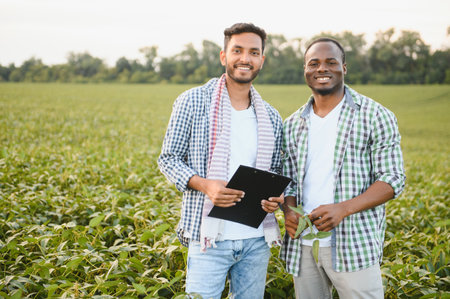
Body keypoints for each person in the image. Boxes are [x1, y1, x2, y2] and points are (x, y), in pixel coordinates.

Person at [158, 23, 284, 299]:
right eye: (237, 50)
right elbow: (168, 159)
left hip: (255, 239)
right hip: (208, 238)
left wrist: (276, 198)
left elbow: (275, 170)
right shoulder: (192, 101)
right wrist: (206, 186)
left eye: (253, 52)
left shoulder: (271, 116)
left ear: (261, 60)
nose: (245, 59)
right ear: (223, 56)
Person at [281, 37, 406, 298]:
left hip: (354, 243)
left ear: (344, 68)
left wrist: (343, 209)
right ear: (305, 70)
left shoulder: (375, 115)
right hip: (303, 245)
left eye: (331, 62)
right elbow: (288, 180)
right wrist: (289, 212)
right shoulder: (292, 124)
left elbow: (392, 179)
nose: (321, 69)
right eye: (313, 63)